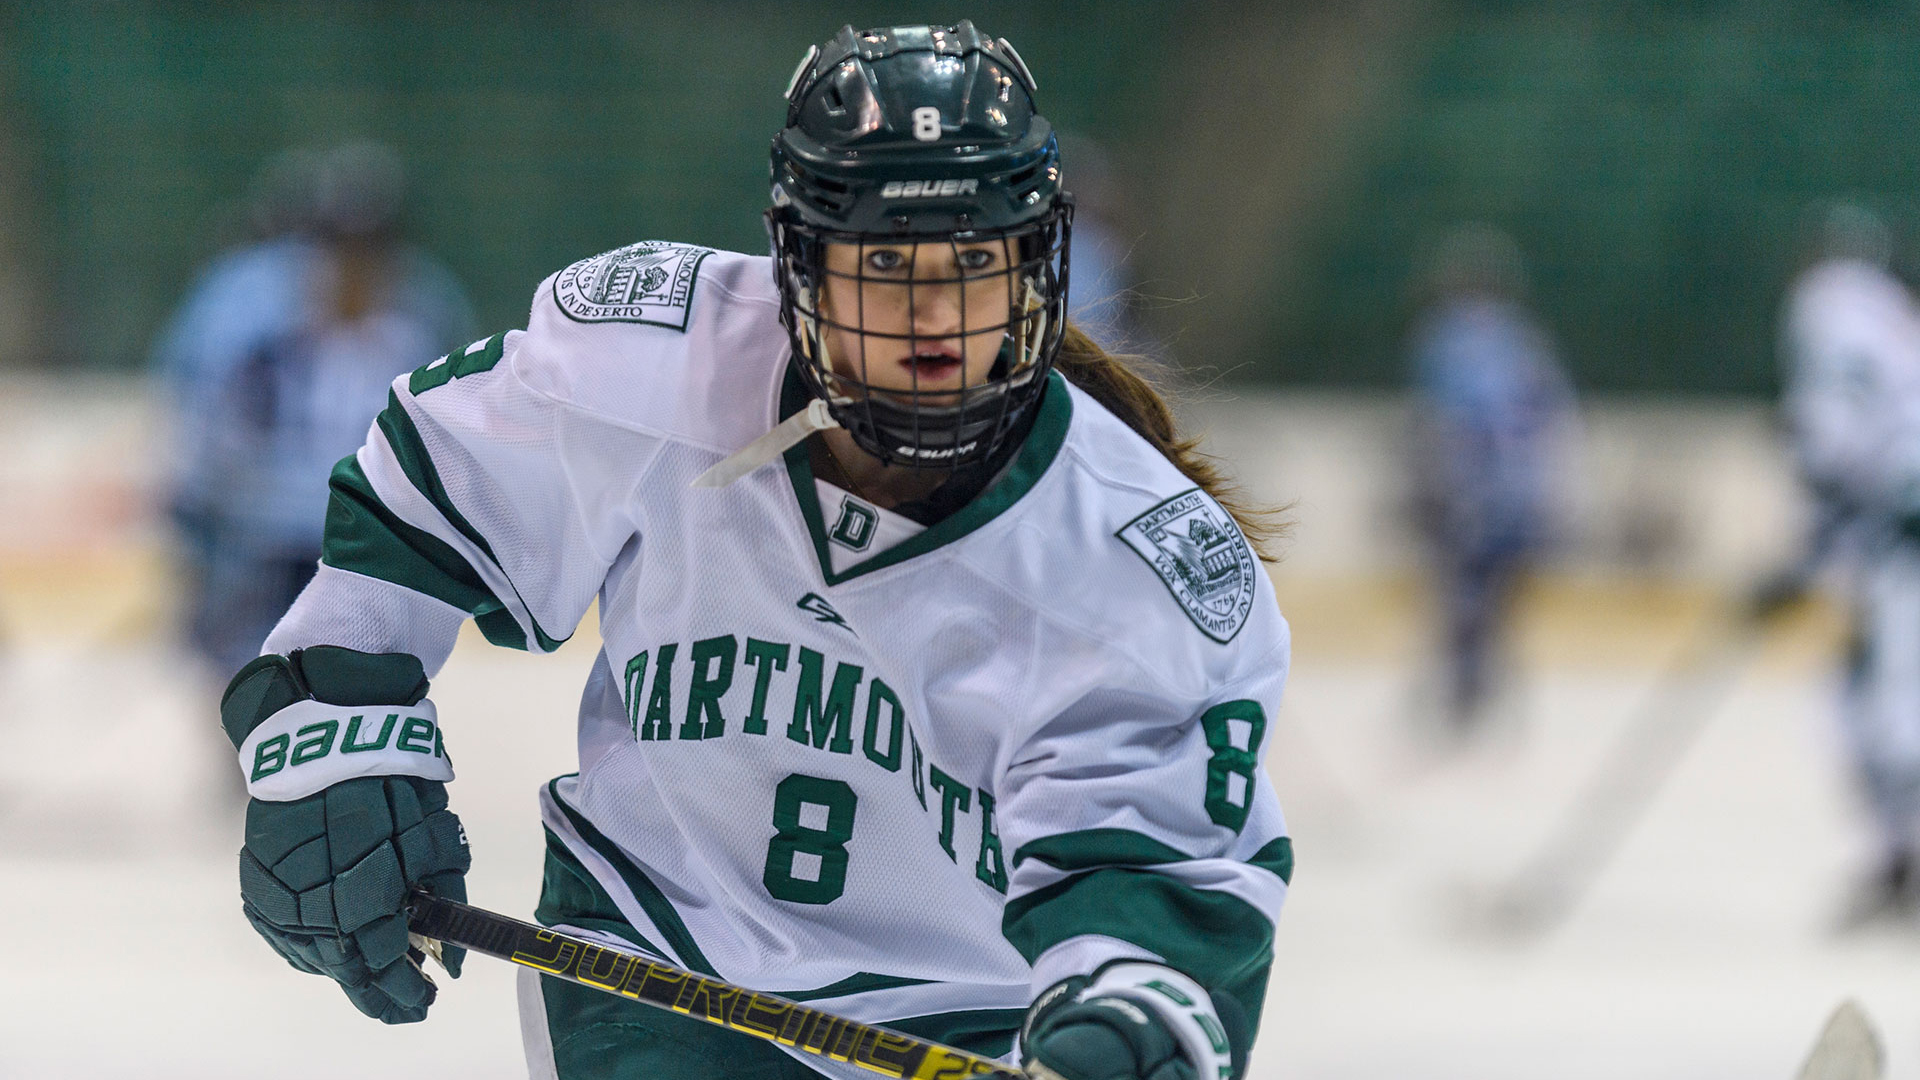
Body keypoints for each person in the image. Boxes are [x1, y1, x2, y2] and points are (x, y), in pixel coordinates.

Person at [220, 23, 1292, 1080]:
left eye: (971, 261)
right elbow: (435, 483)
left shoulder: (1130, 557)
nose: (930, 318)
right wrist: (339, 719)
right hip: (657, 944)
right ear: (799, 267)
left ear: (1034, 269)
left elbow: (1159, 882)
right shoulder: (653, 358)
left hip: (967, 1024)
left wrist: (1123, 1029)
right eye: (882, 261)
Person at [155, 142, 474, 677]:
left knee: (348, 692)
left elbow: (452, 433)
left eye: (369, 248)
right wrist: (199, 531)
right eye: (336, 245)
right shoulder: (247, 311)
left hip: (362, 542)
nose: (353, 266)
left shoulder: (424, 314)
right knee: (246, 682)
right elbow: (205, 426)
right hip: (265, 538)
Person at [1770, 202, 1920, 928]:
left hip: (1906, 541)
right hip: (1897, 534)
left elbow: (1835, 445)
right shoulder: (1894, 317)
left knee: (1882, 712)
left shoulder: (1828, 310)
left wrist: (1807, 556)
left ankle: (1901, 867)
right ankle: (1899, 865)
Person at [1404, 223, 1576, 733]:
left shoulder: (1443, 339)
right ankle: (1486, 687)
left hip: (1470, 488)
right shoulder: (1524, 340)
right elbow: (1552, 416)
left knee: (1459, 591)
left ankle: (1465, 692)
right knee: (1499, 595)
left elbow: (1440, 421)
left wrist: (1426, 484)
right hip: (1520, 490)